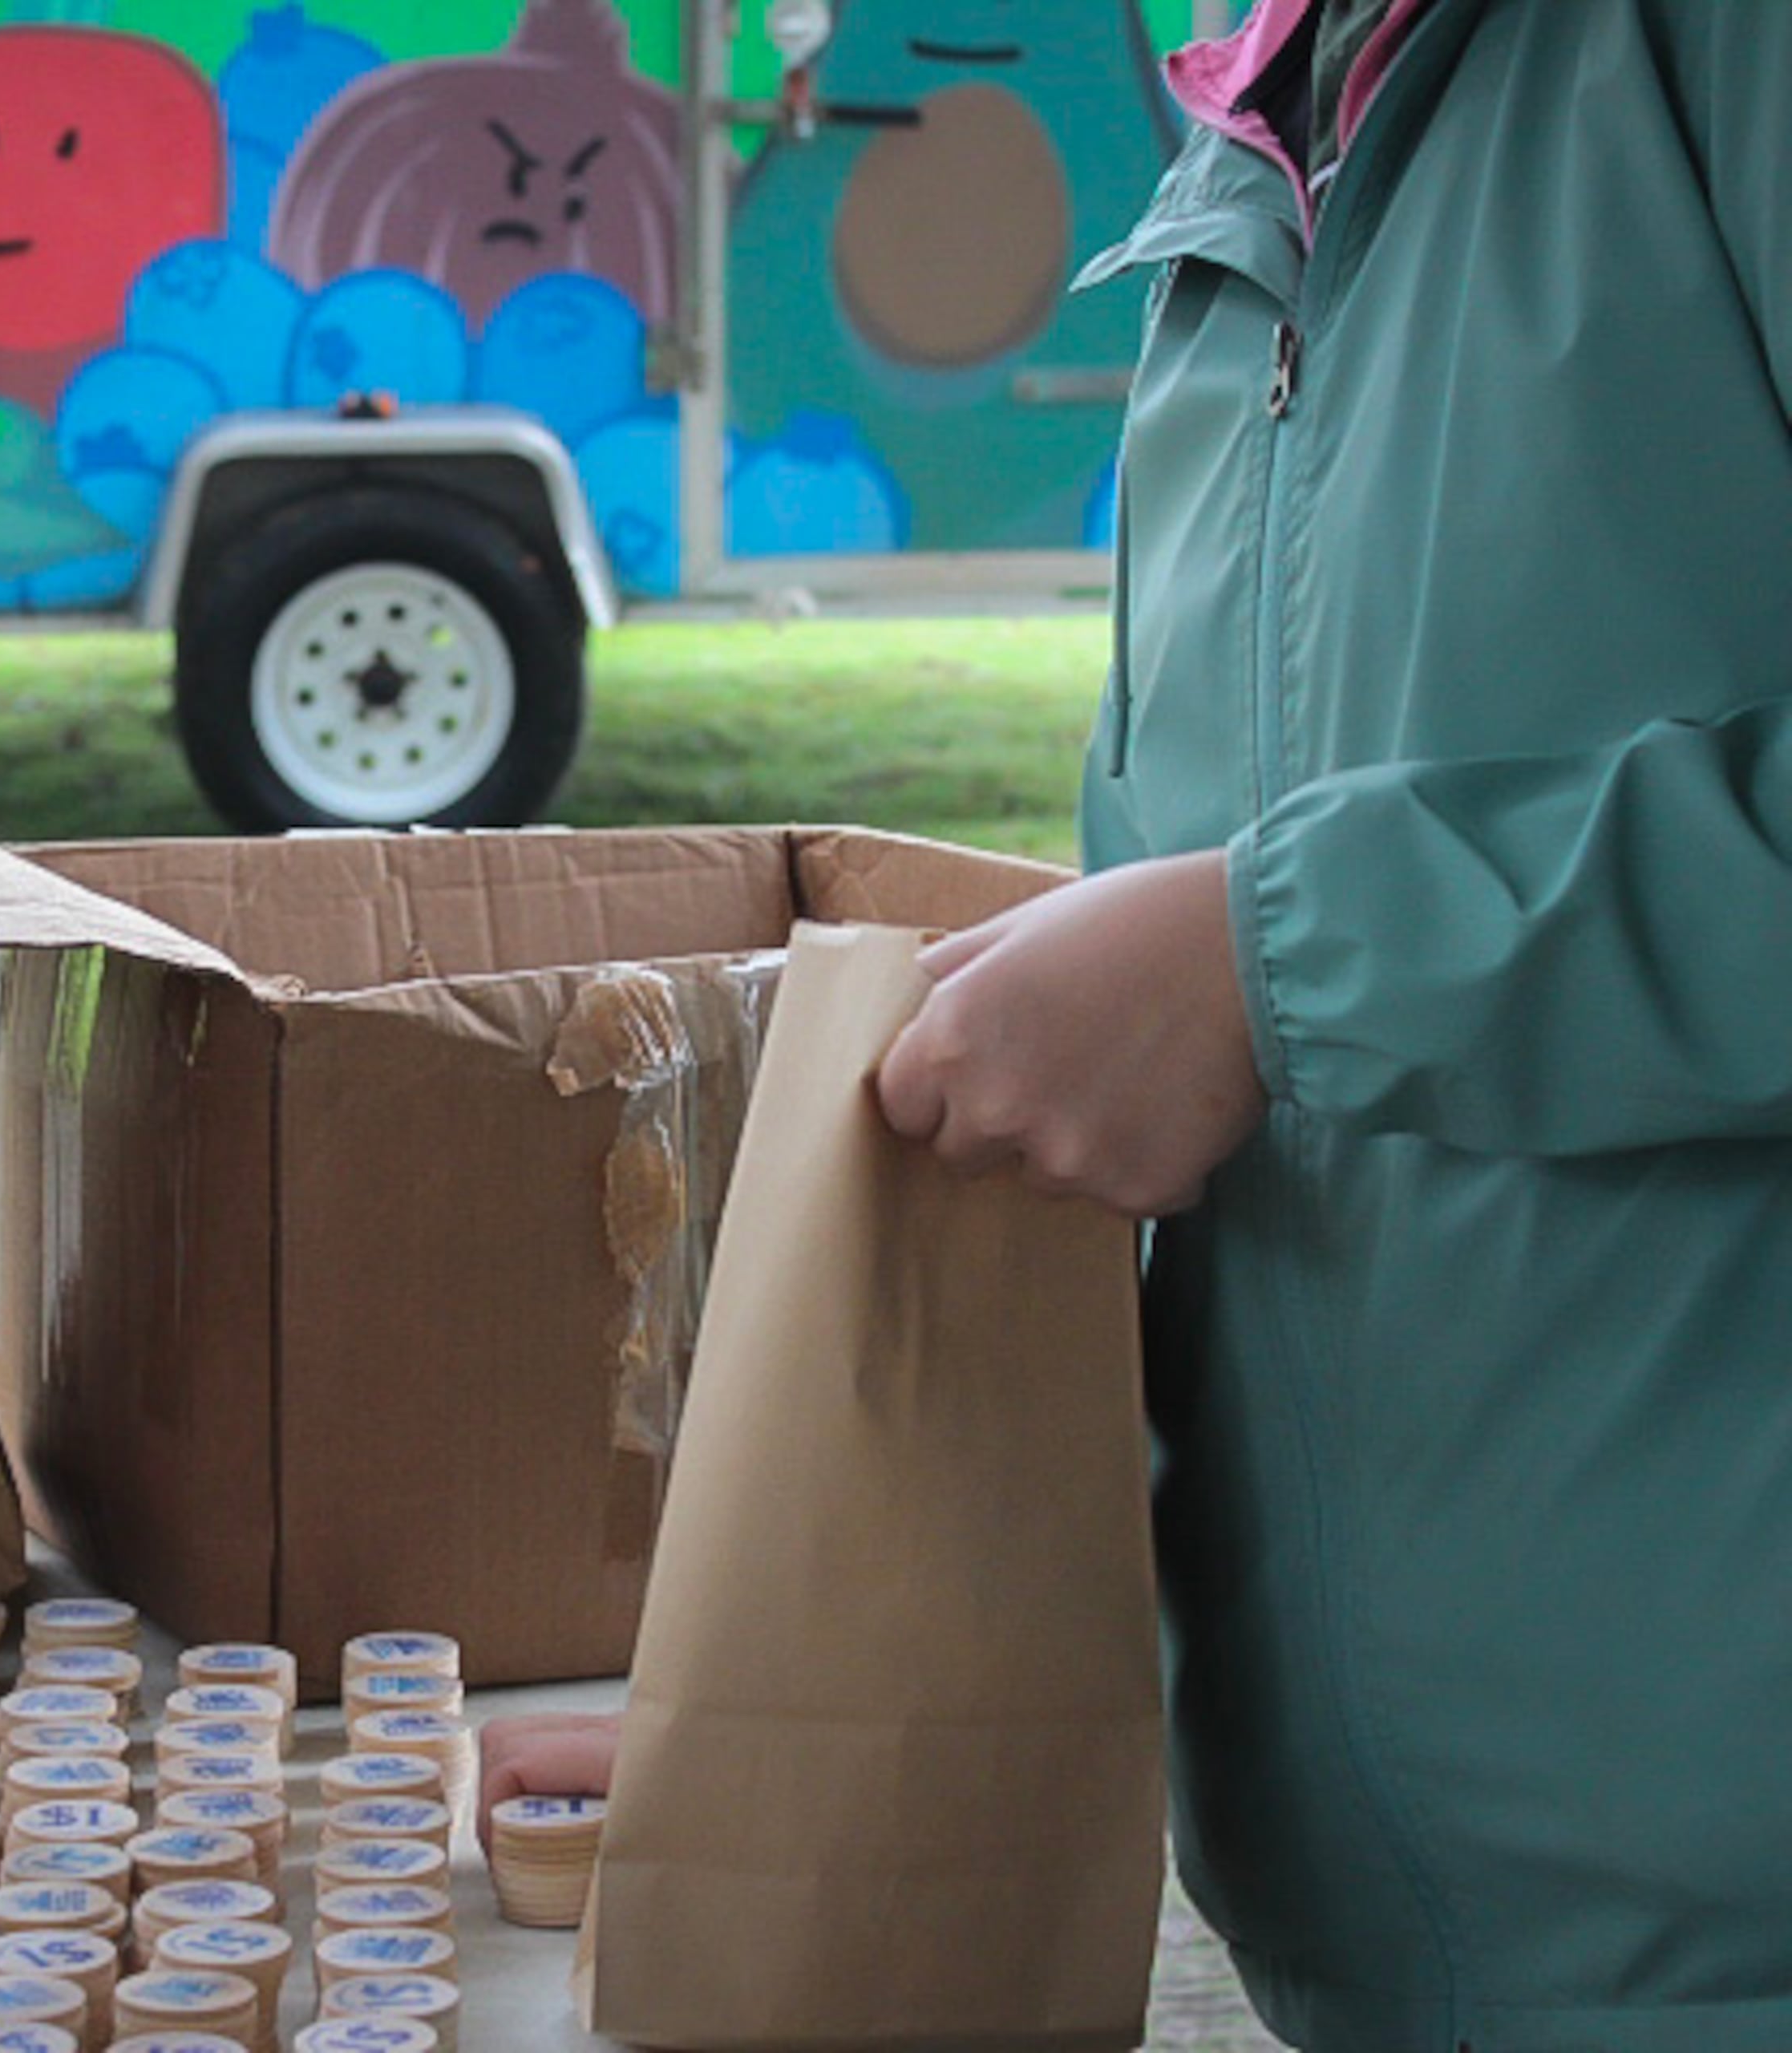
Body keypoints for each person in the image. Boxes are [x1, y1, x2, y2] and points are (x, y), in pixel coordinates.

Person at [487, 4, 1792, 2047]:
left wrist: (1291, 961)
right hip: (1393, 1945)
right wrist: (778, 1695)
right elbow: (1202, 1134)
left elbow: (1266, 966)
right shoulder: (1263, 117)